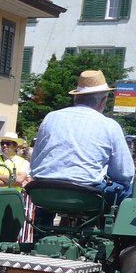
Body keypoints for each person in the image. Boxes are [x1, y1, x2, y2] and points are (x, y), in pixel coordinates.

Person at [29, 70, 134, 201]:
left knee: (49, 190)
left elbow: (34, 162)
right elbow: (125, 173)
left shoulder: (50, 117)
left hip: (44, 192)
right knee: (130, 190)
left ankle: (43, 215)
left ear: (76, 98)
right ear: (103, 101)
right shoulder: (110, 125)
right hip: (86, 195)